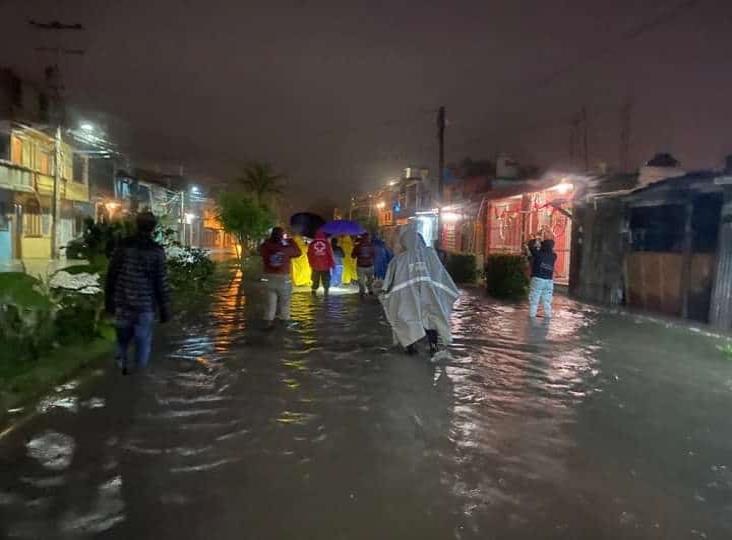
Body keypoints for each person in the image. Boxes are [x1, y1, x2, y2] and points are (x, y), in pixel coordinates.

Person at [105, 211, 171, 375]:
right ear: (153, 229)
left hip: (123, 303)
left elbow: (111, 274)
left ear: (136, 225)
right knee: (143, 344)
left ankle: (122, 373)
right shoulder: (157, 251)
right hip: (145, 306)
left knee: (122, 341)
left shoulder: (124, 246)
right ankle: (138, 382)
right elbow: (160, 282)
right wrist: (164, 309)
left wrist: (109, 301)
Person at [380, 226, 459, 356]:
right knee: (430, 319)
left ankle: (411, 349)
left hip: (408, 298)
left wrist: (384, 293)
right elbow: (441, 275)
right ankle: (433, 347)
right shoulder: (430, 255)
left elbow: (389, 282)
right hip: (429, 297)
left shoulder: (400, 259)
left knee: (407, 319)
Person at [259, 227, 302, 328]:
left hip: (268, 277)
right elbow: (298, 253)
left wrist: (267, 241)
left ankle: (268, 322)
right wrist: (291, 241)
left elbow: (259, 250)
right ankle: (285, 320)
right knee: (285, 301)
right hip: (283, 278)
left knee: (270, 301)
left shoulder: (265, 247)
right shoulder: (287, 248)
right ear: (282, 236)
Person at [527, 232, 557, 318]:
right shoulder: (554, 256)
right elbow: (551, 249)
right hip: (549, 281)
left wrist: (536, 238)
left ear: (543, 246)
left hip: (537, 279)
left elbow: (530, 245)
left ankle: (532, 319)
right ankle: (548, 317)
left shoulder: (538, 254)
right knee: (547, 302)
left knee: (534, 301)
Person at [307, 230, 335, 296]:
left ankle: (313, 291)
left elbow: (309, 254)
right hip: (326, 265)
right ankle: (326, 291)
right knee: (326, 279)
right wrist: (332, 263)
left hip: (315, 265)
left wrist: (310, 263)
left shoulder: (312, 244)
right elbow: (330, 254)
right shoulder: (326, 243)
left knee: (315, 279)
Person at [351, 232, 376, 298]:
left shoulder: (357, 246)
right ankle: (370, 290)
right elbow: (374, 255)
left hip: (360, 266)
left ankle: (362, 291)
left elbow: (353, 256)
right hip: (370, 265)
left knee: (361, 280)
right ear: (368, 238)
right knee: (370, 279)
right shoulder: (372, 246)